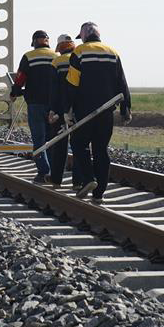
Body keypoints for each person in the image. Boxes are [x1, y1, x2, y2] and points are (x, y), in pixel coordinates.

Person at [61, 22, 131, 204]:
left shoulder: (80, 52)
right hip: (107, 110)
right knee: (101, 149)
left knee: (78, 144)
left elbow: (72, 84)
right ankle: (99, 192)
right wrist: (126, 108)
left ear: (84, 35)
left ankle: (89, 178)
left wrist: (66, 109)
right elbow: (122, 82)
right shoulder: (112, 52)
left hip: (84, 110)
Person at [10, 30, 57, 184]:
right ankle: (53, 172)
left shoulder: (29, 56)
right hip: (54, 105)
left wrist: (15, 92)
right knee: (53, 139)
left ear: (34, 42)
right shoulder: (56, 56)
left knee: (39, 139)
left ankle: (43, 172)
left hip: (36, 103)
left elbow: (20, 78)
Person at [48, 34, 81, 190]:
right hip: (80, 109)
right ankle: (78, 181)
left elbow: (53, 89)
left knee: (60, 145)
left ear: (60, 48)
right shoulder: (80, 58)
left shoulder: (56, 62)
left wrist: (52, 110)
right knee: (79, 145)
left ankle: (56, 179)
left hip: (61, 110)